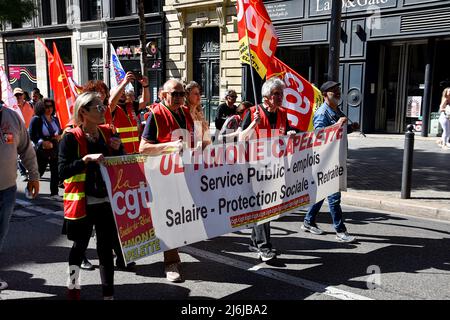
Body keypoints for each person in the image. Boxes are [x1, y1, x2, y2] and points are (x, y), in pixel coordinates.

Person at [58, 92, 124, 300]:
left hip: (105, 201)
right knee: (79, 247)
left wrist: (118, 148)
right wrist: (85, 160)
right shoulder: (70, 137)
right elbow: (62, 172)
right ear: (83, 112)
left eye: (103, 107)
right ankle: (73, 286)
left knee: (105, 250)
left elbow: (118, 165)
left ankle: (108, 295)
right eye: (98, 108)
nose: (103, 110)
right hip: (82, 204)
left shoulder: (107, 133)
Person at [139, 79, 194, 282]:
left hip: (184, 174)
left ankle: (173, 254)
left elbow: (191, 139)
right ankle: (171, 262)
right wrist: (169, 147)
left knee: (181, 217)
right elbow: (143, 148)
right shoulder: (155, 114)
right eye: (175, 93)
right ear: (163, 94)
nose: (179, 97)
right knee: (171, 219)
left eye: (182, 93)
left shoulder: (185, 112)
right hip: (164, 177)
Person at [240, 77, 296, 262]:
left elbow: (286, 131)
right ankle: (265, 247)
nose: (280, 97)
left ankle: (255, 241)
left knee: (267, 206)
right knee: (263, 207)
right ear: (266, 97)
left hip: (274, 167)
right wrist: (252, 125)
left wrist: (290, 133)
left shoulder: (282, 113)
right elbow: (240, 139)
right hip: (255, 168)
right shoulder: (252, 112)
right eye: (276, 94)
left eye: (281, 93)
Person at [300, 81, 359, 243]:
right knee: (334, 197)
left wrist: (351, 127)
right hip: (326, 160)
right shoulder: (321, 113)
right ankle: (340, 231)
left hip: (336, 157)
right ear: (325, 95)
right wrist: (337, 124)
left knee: (321, 193)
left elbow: (340, 130)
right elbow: (319, 137)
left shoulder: (336, 110)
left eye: (339, 90)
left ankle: (308, 221)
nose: (338, 93)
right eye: (334, 91)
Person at [0, 98, 40, 291]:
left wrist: (34, 176)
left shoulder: (12, 118)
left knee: (0, 235)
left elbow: (26, 148)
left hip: (7, 190)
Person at [108, 71, 150, 154]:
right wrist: (124, 83)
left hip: (135, 151)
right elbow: (112, 102)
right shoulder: (111, 108)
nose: (123, 92)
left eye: (124, 91)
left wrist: (145, 86)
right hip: (120, 152)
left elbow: (145, 101)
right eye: (120, 91)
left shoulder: (131, 105)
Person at [28, 99, 62, 198]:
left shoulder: (55, 119)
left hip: (54, 147)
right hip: (42, 149)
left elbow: (60, 132)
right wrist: (41, 142)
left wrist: (59, 136)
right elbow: (32, 135)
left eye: (51, 106)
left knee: (55, 171)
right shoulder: (37, 119)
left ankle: (54, 193)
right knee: (39, 171)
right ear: (41, 107)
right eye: (46, 106)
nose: (49, 108)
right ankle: (29, 189)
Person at [185, 81, 211, 149]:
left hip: (204, 152)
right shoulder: (184, 113)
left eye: (199, 93)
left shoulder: (198, 113)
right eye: (196, 94)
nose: (199, 96)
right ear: (187, 95)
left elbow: (205, 136)